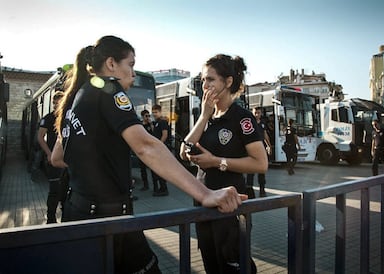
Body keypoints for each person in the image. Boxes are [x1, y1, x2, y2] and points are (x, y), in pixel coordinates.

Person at [51, 36, 246, 274]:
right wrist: (205, 194)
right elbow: (146, 146)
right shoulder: (109, 89)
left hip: (78, 213)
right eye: (130, 64)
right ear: (111, 64)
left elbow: (58, 157)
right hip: (109, 220)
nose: (132, 73)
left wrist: (108, 172)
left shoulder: (76, 97)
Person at [179, 54, 268, 274]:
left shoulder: (242, 118)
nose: (204, 86)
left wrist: (217, 162)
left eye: (210, 79)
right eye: (202, 80)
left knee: (233, 265)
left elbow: (260, 163)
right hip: (203, 203)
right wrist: (203, 117)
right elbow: (183, 151)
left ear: (228, 82)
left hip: (229, 206)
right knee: (211, 264)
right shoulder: (208, 116)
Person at [37, 91, 66, 224]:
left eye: (58, 103)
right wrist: (49, 154)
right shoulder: (48, 118)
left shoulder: (68, 117)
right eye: (54, 103)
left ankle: (66, 218)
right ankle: (51, 219)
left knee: (66, 190)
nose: (55, 105)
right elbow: (40, 137)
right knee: (54, 190)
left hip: (66, 161)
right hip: (53, 161)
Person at [245, 107, 271, 198]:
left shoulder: (263, 123)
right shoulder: (249, 122)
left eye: (258, 113)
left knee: (261, 170)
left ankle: (262, 190)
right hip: (251, 149)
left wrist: (268, 145)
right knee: (251, 170)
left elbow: (265, 135)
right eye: (255, 112)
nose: (257, 114)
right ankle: (249, 190)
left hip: (261, 149)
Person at [151, 104, 169, 196]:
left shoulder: (162, 122)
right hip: (156, 148)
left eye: (156, 112)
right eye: (153, 112)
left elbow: (164, 135)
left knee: (160, 170)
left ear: (160, 112)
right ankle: (160, 188)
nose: (154, 114)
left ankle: (164, 189)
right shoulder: (156, 122)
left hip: (160, 149)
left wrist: (159, 146)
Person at [138, 109, 153, 191]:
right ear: (142, 117)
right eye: (146, 116)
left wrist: (151, 124)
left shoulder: (150, 124)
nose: (148, 118)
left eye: (149, 116)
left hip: (150, 149)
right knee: (142, 169)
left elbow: (154, 133)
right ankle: (145, 184)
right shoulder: (140, 126)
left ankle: (155, 185)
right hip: (142, 149)